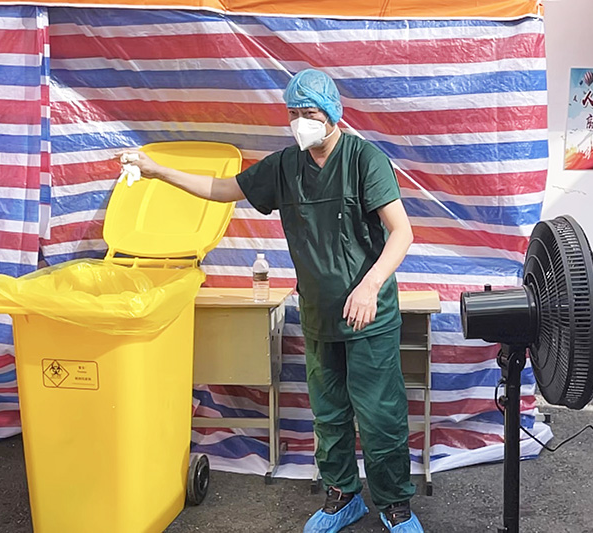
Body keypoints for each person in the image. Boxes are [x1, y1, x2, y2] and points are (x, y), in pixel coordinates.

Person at [117, 69, 422, 533]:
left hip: (368, 317)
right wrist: (159, 171)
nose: (301, 122)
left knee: (380, 416)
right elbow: (223, 190)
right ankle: (342, 497)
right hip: (320, 315)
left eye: (309, 113)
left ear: (332, 113)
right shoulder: (285, 167)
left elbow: (402, 232)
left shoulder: (365, 160)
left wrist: (370, 284)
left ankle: (395, 505)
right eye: (294, 113)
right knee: (329, 415)